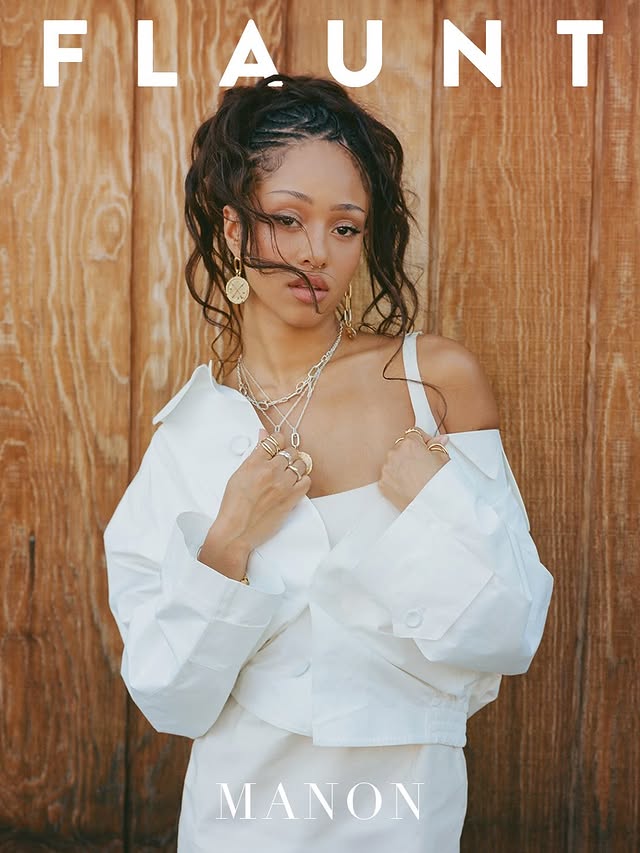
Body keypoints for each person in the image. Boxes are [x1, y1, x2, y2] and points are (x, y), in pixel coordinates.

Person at [103, 73, 553, 852]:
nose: (317, 252)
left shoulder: (430, 384)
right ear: (234, 229)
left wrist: (435, 502)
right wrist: (228, 540)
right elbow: (171, 698)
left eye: (345, 227)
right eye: (288, 219)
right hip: (237, 818)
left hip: (402, 815)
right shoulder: (186, 438)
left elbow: (510, 631)